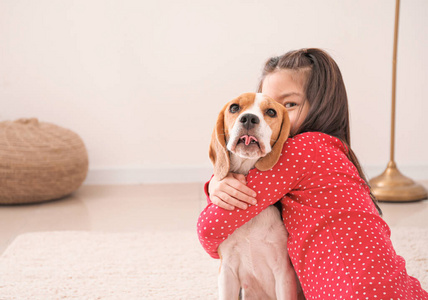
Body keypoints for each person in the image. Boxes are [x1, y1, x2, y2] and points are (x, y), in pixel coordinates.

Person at [197, 48, 428, 299]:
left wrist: (216, 185)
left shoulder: (298, 151)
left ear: (322, 105)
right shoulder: (333, 152)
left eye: (287, 105)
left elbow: (210, 230)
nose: (265, 119)